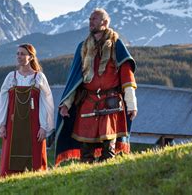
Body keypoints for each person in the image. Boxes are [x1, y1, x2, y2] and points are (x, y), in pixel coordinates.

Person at [55, 8, 137, 165]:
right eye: (90, 19)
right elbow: (75, 80)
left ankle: (106, 177)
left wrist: (132, 104)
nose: (90, 22)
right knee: (86, 149)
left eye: (94, 19)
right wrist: (66, 104)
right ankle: (85, 177)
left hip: (111, 102)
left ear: (104, 23)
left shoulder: (116, 45)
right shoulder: (83, 47)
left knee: (108, 148)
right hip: (88, 102)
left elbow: (127, 77)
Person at [0, 43, 55, 177]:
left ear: (31, 57)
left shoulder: (39, 77)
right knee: (10, 156)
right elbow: (2, 101)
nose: (19, 56)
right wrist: (1, 124)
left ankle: (35, 178)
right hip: (12, 124)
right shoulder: (11, 77)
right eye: (17, 54)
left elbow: (47, 103)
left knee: (35, 158)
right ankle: (8, 180)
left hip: (34, 125)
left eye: (22, 54)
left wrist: (44, 127)